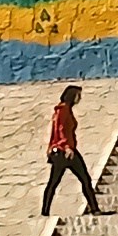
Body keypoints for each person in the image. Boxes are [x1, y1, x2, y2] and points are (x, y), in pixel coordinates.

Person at [41, 82, 101, 216]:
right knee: (80, 179)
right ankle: (94, 209)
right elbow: (61, 131)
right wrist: (67, 147)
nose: (79, 98)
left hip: (64, 149)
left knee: (61, 181)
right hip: (65, 150)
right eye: (78, 95)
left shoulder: (63, 109)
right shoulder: (63, 110)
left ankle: (45, 211)